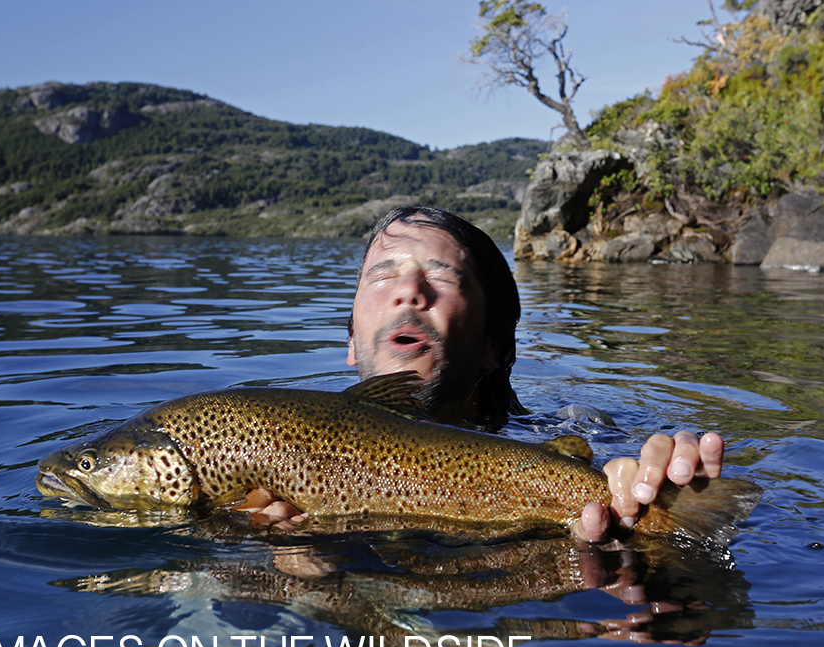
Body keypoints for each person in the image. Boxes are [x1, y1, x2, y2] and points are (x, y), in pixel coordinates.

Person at [246, 206, 724, 543]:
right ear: (350, 341)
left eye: (442, 277)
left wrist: (651, 502)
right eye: (382, 276)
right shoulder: (271, 446)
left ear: (492, 348)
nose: (409, 290)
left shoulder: (571, 433)